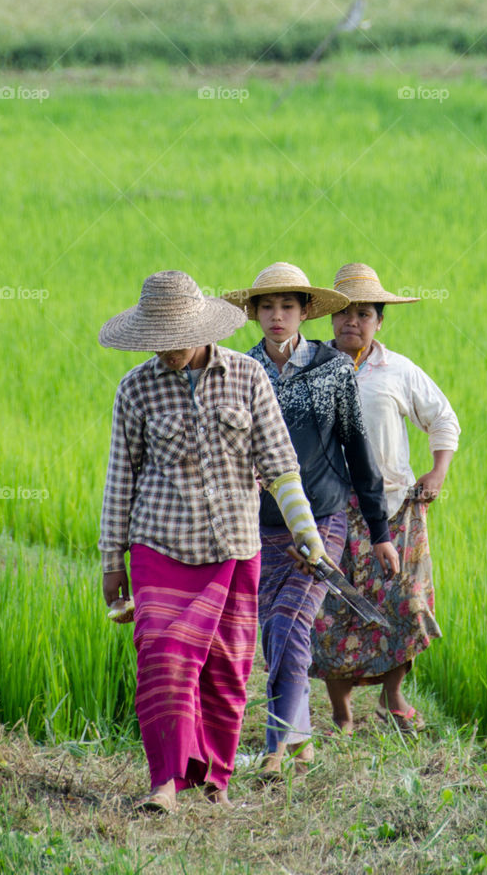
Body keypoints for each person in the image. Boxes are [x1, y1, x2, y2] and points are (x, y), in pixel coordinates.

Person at [98, 270, 330, 813]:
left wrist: (306, 531)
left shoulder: (248, 378)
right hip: (159, 543)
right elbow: (120, 478)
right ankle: (164, 782)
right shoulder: (135, 387)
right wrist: (112, 561)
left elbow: (279, 463)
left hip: (233, 547)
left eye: (175, 338)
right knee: (161, 656)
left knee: (227, 667)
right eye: (157, 340)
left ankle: (213, 780)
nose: (168, 351)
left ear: (201, 329)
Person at [222, 263, 399, 774]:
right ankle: (301, 743)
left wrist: (381, 532)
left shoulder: (332, 369)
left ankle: (276, 748)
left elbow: (357, 450)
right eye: (267, 307)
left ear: (304, 312)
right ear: (254, 313)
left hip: (322, 518)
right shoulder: (240, 369)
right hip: (259, 525)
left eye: (288, 307)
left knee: (290, 625)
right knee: (276, 635)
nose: (277, 317)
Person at [310, 263, 460, 734]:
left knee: (405, 603)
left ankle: (392, 699)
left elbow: (444, 420)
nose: (352, 321)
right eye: (344, 313)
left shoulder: (398, 371)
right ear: (330, 319)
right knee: (332, 608)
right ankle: (341, 711)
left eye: (364, 314)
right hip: (331, 509)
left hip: (396, 508)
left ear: (379, 321)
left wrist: (437, 472)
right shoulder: (311, 369)